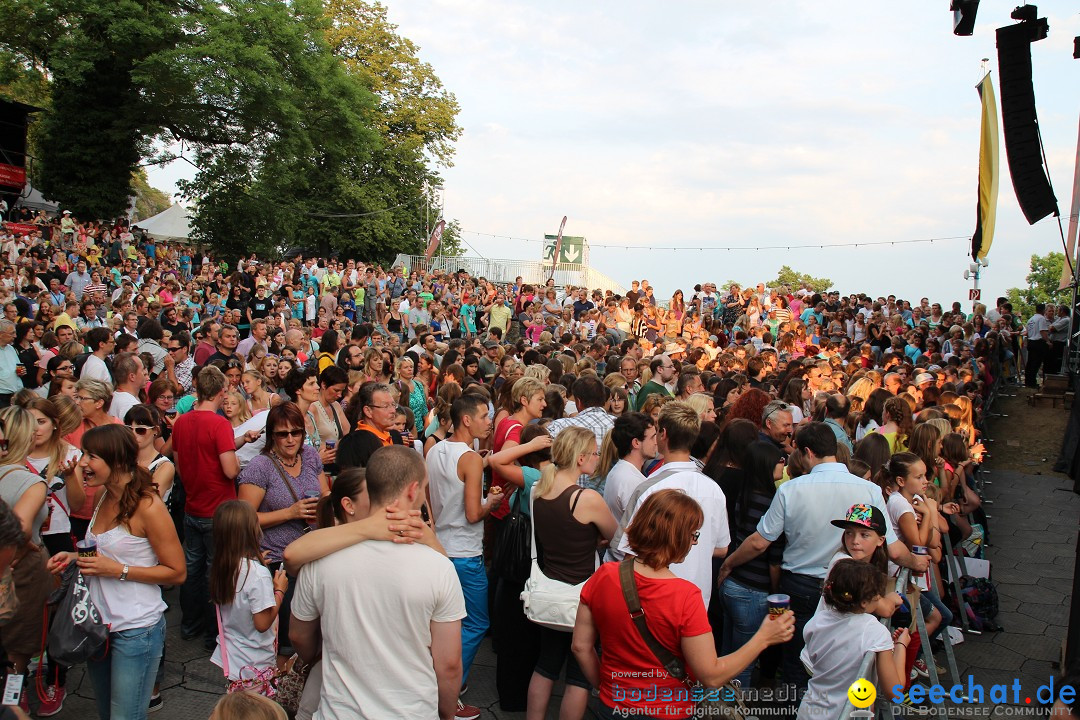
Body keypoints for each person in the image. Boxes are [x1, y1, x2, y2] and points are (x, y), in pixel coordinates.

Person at [716, 422, 926, 695]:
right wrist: (916, 562)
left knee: (797, 660)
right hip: (849, 587)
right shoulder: (867, 489)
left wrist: (729, 563)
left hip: (804, 585)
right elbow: (895, 550)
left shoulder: (792, 489)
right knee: (844, 663)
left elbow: (759, 542)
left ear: (807, 453)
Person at [572, 490, 795, 720]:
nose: (694, 542)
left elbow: (580, 646)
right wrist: (764, 638)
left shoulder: (605, 575)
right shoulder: (685, 596)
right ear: (675, 536)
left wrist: (606, 686)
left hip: (612, 706)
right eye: (693, 534)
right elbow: (710, 675)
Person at [289, 446, 467, 720]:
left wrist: (317, 656)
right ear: (412, 490)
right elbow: (450, 664)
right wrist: (446, 713)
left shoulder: (320, 561)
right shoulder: (438, 567)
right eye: (424, 488)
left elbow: (299, 635)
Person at [45, 424, 186, 720]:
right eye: (84, 453)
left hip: (136, 629)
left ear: (118, 461)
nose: (83, 462)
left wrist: (117, 570)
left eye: (91, 455)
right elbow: (106, 551)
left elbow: (176, 572)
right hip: (99, 627)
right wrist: (73, 556)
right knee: (108, 713)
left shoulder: (148, 506)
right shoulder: (101, 497)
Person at [526, 426, 616, 720]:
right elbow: (614, 535)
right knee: (578, 676)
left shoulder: (538, 491)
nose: (597, 458)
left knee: (546, 665)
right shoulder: (585, 499)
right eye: (594, 452)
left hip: (550, 590)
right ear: (580, 458)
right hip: (583, 594)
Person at [173, 366, 261, 643]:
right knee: (217, 570)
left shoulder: (183, 422)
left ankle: (190, 625)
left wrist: (239, 440)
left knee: (193, 569)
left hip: (192, 506)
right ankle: (215, 632)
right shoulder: (219, 423)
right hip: (218, 510)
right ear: (221, 391)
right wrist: (237, 456)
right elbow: (230, 471)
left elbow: (180, 462)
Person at [612, 402, 729, 606]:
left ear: (662, 434)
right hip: (697, 600)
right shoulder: (714, 489)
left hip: (654, 600)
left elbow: (626, 551)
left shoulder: (649, 487)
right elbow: (721, 547)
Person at [237, 402, 327, 663]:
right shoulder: (260, 467)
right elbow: (243, 518)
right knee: (288, 639)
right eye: (282, 434)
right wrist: (290, 513)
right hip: (279, 562)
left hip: (314, 554)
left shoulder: (309, 456)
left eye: (296, 432)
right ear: (271, 435)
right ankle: (281, 694)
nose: (290, 439)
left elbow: (324, 493)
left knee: (316, 632)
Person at [426, 394, 501, 707]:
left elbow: (433, 498)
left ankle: (437, 678)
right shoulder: (468, 459)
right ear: (466, 420)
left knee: (442, 621)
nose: (489, 422)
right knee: (476, 622)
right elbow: (473, 514)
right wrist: (491, 502)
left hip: (439, 547)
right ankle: (451, 684)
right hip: (466, 553)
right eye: (484, 416)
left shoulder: (434, 449)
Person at [796, 560, 906, 720]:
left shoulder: (818, 620)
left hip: (809, 711)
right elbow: (894, 692)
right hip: (846, 714)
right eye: (877, 594)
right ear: (863, 602)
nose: (879, 597)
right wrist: (901, 645)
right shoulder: (874, 630)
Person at [718, 440, 786, 688]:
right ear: (765, 465)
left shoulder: (746, 495)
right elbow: (770, 554)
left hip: (732, 585)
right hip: (753, 591)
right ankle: (733, 714)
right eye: (778, 459)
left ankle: (717, 710)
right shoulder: (771, 503)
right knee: (742, 665)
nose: (783, 462)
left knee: (726, 657)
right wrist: (776, 593)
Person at [209, 500, 289, 683]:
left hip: (233, 656)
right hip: (255, 662)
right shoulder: (258, 575)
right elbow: (262, 623)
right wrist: (279, 590)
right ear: (252, 530)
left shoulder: (224, 565)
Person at [601, 412, 658, 520]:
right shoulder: (631, 480)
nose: (656, 442)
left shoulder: (622, 471)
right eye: (652, 438)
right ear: (636, 443)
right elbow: (641, 527)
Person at [335, 382, 403, 469]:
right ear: (368, 411)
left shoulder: (395, 435)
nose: (393, 410)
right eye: (385, 406)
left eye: (393, 405)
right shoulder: (356, 444)